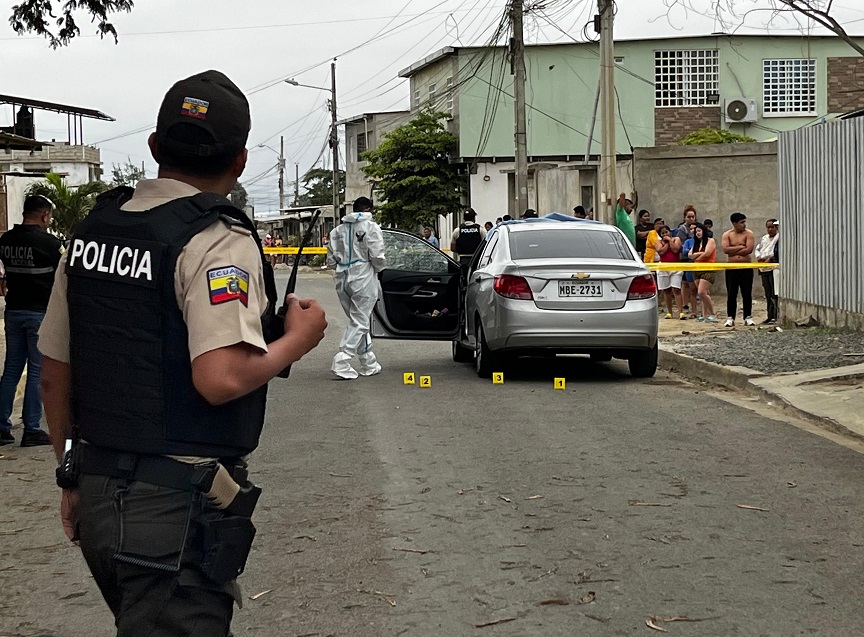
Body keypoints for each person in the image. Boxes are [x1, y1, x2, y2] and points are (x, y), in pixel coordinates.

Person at [38, 70, 328, 637]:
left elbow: (53, 372)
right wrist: (299, 338)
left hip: (100, 494)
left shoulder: (94, 230)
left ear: (152, 147)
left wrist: (71, 474)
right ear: (240, 162)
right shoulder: (218, 238)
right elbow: (219, 377)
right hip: (173, 508)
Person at [0, 194, 63, 447]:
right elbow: (64, 272)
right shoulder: (50, 243)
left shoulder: (6, 241)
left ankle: (2, 428)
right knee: (37, 371)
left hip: (13, 311)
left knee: (12, 369)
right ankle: (32, 428)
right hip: (39, 313)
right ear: (44, 215)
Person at [327, 196, 386, 380]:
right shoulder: (371, 227)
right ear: (369, 209)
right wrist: (378, 271)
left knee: (358, 321)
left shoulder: (336, 231)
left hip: (341, 278)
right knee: (360, 321)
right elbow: (378, 256)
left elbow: (330, 261)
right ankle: (342, 359)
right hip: (363, 276)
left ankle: (368, 361)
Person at [721, 212, 755, 327]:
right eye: (741, 222)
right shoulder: (727, 234)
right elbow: (725, 250)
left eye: (744, 222)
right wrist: (741, 247)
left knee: (747, 292)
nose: (744, 225)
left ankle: (748, 316)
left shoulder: (749, 234)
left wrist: (733, 249)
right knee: (731, 293)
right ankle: (730, 317)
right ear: (734, 223)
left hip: (745, 267)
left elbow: (748, 249)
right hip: (732, 267)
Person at [688, 222, 717, 323]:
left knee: (702, 292)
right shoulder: (696, 243)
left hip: (708, 269)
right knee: (703, 294)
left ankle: (713, 313)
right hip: (697, 269)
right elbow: (690, 255)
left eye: (699, 231)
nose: (697, 233)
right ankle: (704, 315)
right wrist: (700, 254)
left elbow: (707, 254)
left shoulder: (711, 241)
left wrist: (697, 256)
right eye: (696, 232)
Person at [656, 225, 684, 320]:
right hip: (663, 267)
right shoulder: (659, 242)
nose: (665, 234)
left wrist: (670, 240)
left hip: (675, 267)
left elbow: (676, 249)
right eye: (663, 233)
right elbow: (660, 251)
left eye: (666, 232)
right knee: (666, 290)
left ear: (670, 232)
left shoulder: (676, 239)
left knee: (676, 289)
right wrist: (666, 243)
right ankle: (669, 312)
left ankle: (680, 312)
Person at [755, 219, 780, 324]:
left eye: (772, 227)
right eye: (768, 227)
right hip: (763, 268)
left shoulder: (779, 238)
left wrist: (769, 258)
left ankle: (775, 315)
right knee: (768, 293)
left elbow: (775, 252)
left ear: (776, 228)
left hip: (773, 269)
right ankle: (769, 316)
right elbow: (758, 249)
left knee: (775, 293)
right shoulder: (764, 238)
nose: (770, 229)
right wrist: (759, 257)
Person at [676, 207, 697, 314]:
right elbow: (681, 244)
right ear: (685, 218)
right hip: (685, 258)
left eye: (693, 217)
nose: (691, 219)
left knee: (693, 283)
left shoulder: (698, 228)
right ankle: (685, 303)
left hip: (696, 260)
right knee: (685, 282)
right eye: (689, 217)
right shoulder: (682, 229)